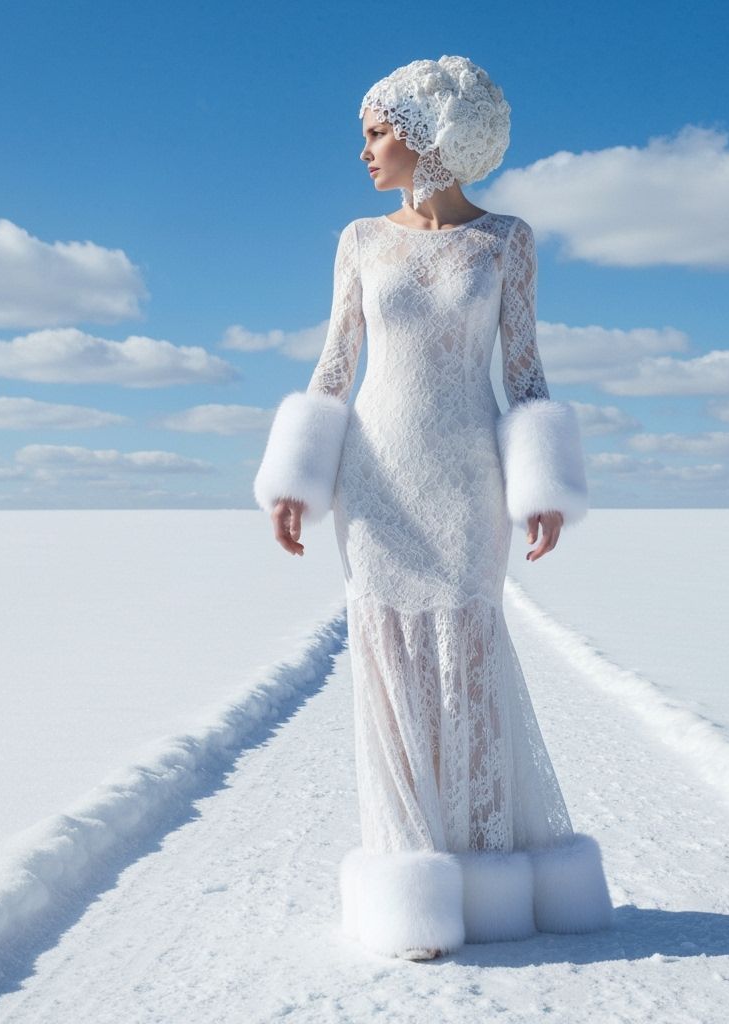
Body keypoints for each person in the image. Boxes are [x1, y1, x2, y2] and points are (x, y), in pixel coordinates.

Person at [253, 55, 613, 961]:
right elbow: (335, 365)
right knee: (387, 662)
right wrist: (295, 479)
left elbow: (525, 368)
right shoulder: (359, 240)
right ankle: (410, 894)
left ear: (429, 135)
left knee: (469, 655)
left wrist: (542, 485)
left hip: (469, 479)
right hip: (376, 482)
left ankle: (487, 879)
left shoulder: (506, 242)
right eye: (366, 134)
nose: (365, 151)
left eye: (378, 131)